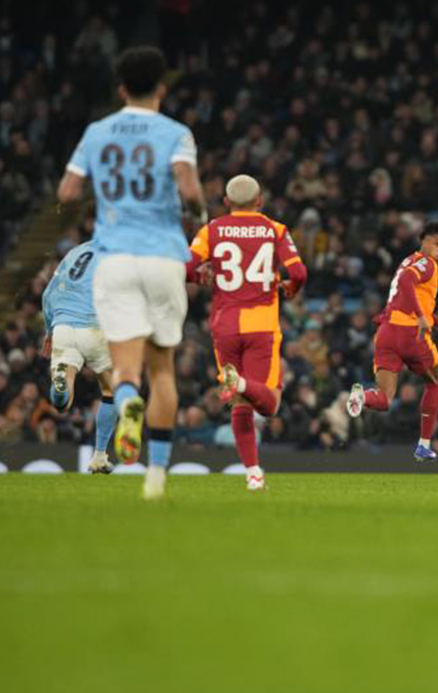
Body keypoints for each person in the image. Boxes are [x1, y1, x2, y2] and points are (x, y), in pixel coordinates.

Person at [56, 46, 205, 500]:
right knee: (162, 370)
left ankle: (126, 402)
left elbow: (67, 191)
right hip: (163, 259)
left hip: (115, 259)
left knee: (124, 369)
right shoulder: (177, 133)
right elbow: (189, 189)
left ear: (121, 88)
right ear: (162, 88)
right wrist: (195, 212)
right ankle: (155, 476)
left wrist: (107, 198)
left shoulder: (97, 132)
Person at [186, 174, 306, 491]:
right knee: (269, 405)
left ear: (226, 202)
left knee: (240, 404)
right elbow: (299, 272)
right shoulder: (274, 229)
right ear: (260, 200)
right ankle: (237, 382)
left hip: (224, 325)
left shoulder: (211, 229)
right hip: (261, 324)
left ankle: (253, 473)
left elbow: (185, 268)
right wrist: (291, 288)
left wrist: (204, 279)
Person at [345, 221, 438, 460]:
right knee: (435, 382)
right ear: (424, 241)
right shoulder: (426, 263)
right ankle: (423, 445)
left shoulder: (407, 261)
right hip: (412, 335)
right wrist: (422, 318)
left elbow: (409, 296)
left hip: (386, 334)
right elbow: (406, 283)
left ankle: (361, 396)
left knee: (384, 399)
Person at [42, 240, 117, 473]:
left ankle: (61, 383)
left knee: (63, 403)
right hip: (93, 327)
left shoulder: (76, 251)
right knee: (110, 391)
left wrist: (49, 331)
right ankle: (100, 456)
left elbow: (48, 294)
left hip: (62, 324)